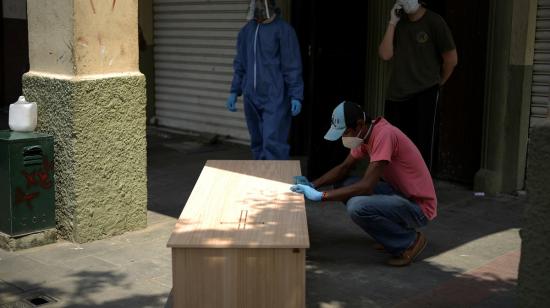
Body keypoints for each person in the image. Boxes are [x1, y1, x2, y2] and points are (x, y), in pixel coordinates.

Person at [290, 101, 437, 266]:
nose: (344, 138)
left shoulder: (384, 135)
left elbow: (366, 186)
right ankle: (392, 235)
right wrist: (313, 184)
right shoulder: (365, 135)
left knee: (357, 206)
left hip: (419, 207)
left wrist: (321, 196)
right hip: (400, 194)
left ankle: (409, 241)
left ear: (359, 124)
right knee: (343, 185)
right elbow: (344, 167)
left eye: (345, 133)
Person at [379, 0, 458, 170]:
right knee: (394, 145)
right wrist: (392, 22)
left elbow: (451, 59)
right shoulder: (399, 24)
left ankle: (421, 189)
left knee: (422, 145)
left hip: (424, 92)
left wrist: (437, 84)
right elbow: (385, 55)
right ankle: (397, 185)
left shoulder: (435, 22)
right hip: (397, 94)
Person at [226, 0, 304, 160]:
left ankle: (276, 181)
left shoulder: (283, 30)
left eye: (261, 7)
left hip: (275, 96)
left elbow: (292, 65)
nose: (257, 11)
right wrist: (234, 91)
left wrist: (296, 95)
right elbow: (240, 63)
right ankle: (261, 178)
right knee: (257, 141)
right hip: (251, 96)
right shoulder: (246, 31)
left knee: (273, 142)